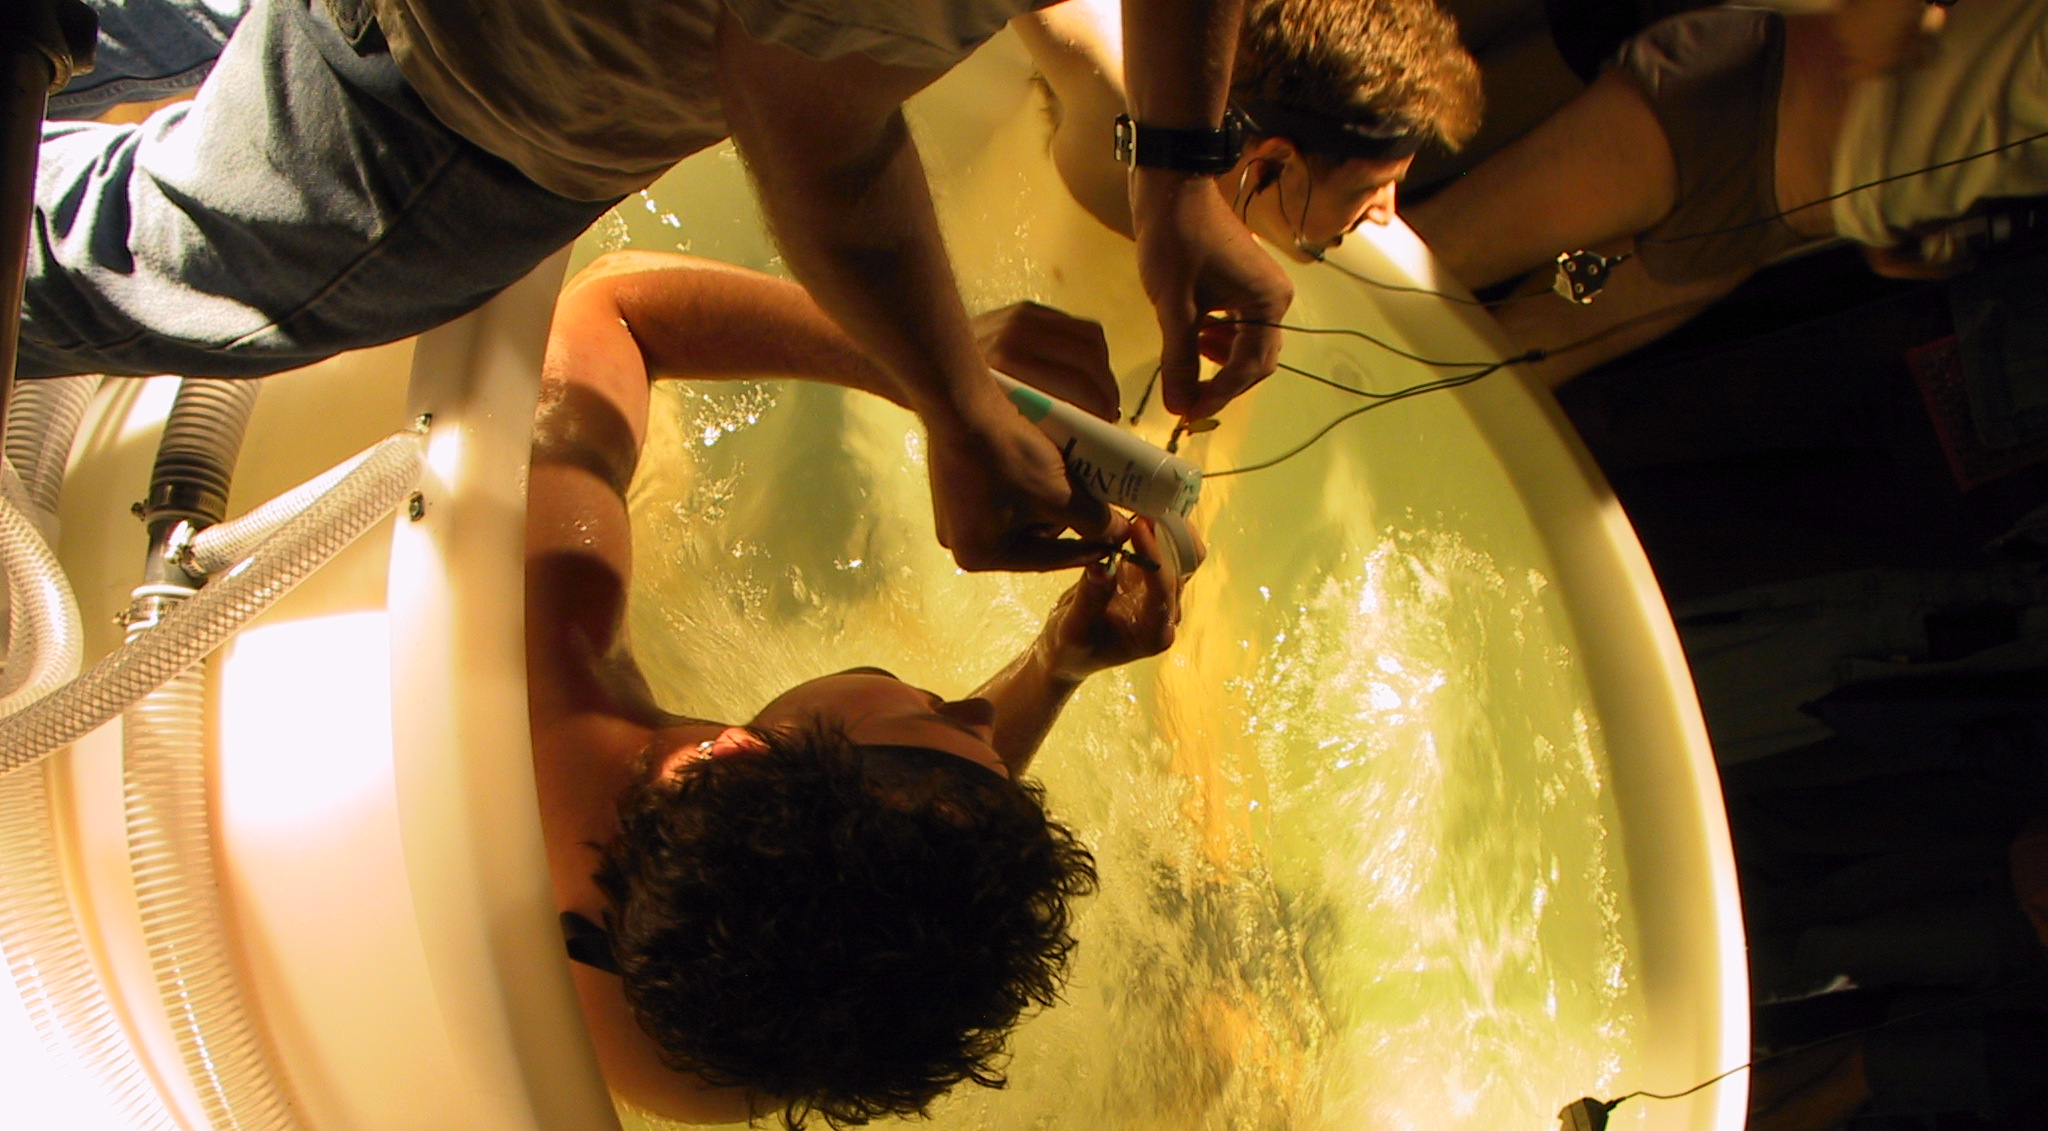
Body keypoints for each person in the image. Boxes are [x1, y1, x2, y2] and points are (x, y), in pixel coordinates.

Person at [23, 0, 1291, 574]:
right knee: (139, 252)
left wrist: (1180, 170)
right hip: (466, 83)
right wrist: (951, 397)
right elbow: (806, 124)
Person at [525, 250, 1188, 1129]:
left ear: (728, 759)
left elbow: (611, 304)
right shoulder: (725, 1057)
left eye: (935, 717)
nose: (975, 708)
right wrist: (1056, 664)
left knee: (658, 458)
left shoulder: (555, 684)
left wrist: (933, 374)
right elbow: (896, 874)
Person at [1405, 0, 2048, 385]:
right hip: (1737, 105)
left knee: (1481, 378)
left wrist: (1915, 218)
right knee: (1406, 269)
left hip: (1773, 226)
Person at [1019, 0, 1481, 262]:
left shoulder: (1257, 216)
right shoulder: (1117, 96)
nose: (1385, 213)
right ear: (1274, 163)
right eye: (1371, 188)